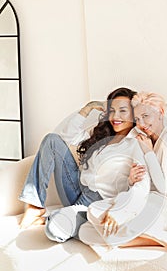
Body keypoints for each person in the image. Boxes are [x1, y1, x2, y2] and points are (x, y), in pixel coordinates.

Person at [19, 87, 151, 243]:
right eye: (112, 111)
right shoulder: (104, 135)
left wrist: (123, 201)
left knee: (54, 229)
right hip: (77, 189)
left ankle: (63, 219)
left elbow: (141, 184)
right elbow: (66, 136)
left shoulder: (137, 143)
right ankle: (35, 206)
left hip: (98, 204)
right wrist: (87, 109)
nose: (115, 116)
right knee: (52, 140)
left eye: (123, 111)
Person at [79, 91, 167, 261]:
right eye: (138, 118)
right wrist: (130, 180)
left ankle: (166, 237)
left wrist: (148, 152)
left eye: (146, 116)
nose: (142, 123)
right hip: (152, 199)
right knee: (88, 224)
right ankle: (161, 240)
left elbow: (165, 188)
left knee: (108, 227)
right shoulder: (142, 140)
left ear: (160, 113)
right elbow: (143, 182)